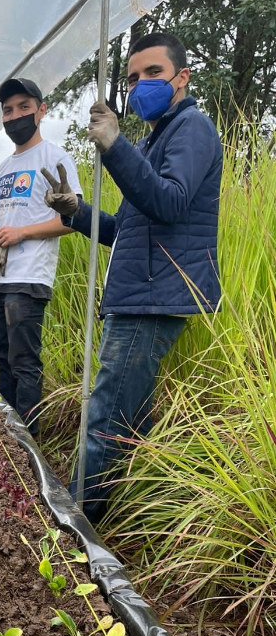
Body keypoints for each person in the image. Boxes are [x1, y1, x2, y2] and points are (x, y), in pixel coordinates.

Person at [43, 32, 222, 524]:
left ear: (182, 77)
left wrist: (117, 147)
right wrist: (77, 212)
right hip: (140, 290)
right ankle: (119, 519)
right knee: (125, 415)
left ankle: (78, 530)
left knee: (105, 416)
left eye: (153, 74)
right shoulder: (156, 139)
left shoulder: (192, 128)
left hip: (153, 296)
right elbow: (126, 228)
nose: (141, 85)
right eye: (133, 78)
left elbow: (169, 202)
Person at [0, 78, 82, 432]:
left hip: (29, 277)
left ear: (41, 110)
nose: (15, 115)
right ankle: (6, 434)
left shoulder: (55, 157)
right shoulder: (3, 168)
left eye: (24, 107)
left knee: (24, 361)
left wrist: (21, 233)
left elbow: (71, 220)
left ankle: (29, 442)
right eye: (8, 110)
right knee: (1, 359)